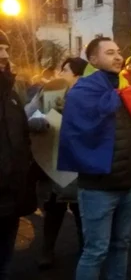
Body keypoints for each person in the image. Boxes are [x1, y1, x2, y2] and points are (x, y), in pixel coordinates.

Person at [58, 37, 131, 280]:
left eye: (118, 51)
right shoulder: (84, 91)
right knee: (96, 251)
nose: (117, 57)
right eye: (109, 52)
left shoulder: (126, 87)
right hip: (99, 189)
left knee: (121, 245)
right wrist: (117, 95)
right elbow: (79, 132)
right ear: (93, 60)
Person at [37, 57, 88, 270]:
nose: (61, 73)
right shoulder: (49, 93)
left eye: (65, 69)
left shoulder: (89, 97)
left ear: (77, 74)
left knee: (81, 213)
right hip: (54, 163)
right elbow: (34, 114)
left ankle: (86, 253)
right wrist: (39, 121)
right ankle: (47, 250)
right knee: (54, 212)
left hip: (80, 166)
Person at [0, 30, 40, 280]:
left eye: (5, 49)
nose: (4, 55)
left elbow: (19, 134)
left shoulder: (11, 93)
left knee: (4, 262)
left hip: (11, 192)